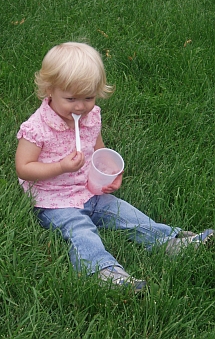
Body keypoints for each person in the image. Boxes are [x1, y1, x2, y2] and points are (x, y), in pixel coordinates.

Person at [15, 42, 214, 292]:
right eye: (71, 99)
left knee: (125, 213)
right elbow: (24, 168)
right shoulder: (37, 128)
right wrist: (60, 167)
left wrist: (111, 173)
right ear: (49, 90)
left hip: (89, 190)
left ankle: (169, 241)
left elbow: (99, 149)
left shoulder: (91, 117)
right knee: (80, 229)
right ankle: (102, 272)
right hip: (53, 201)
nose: (80, 107)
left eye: (88, 97)